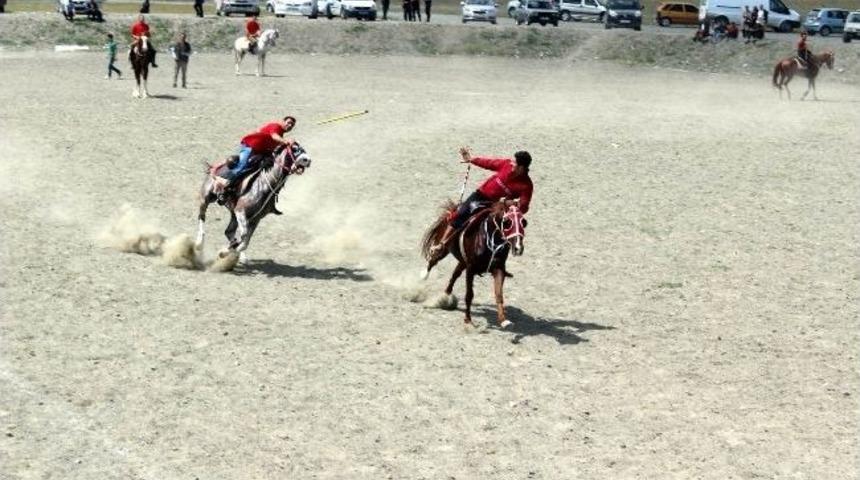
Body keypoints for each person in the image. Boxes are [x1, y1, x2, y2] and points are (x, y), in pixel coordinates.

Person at [430, 147, 534, 255]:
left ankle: (499, 254)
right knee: (461, 213)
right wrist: (472, 159)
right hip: (480, 195)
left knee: (502, 227)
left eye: (515, 163)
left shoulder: (526, 186)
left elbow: (524, 207)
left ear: (522, 168)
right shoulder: (506, 164)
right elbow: (489, 163)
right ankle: (442, 244)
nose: (512, 163)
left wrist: (513, 204)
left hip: (496, 206)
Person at [214, 116, 298, 192]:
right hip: (250, 146)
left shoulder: (281, 135)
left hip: (260, 151)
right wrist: (286, 141)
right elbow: (274, 136)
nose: (290, 126)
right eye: (289, 123)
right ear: (283, 121)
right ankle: (222, 181)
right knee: (242, 164)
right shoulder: (276, 127)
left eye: (292, 125)